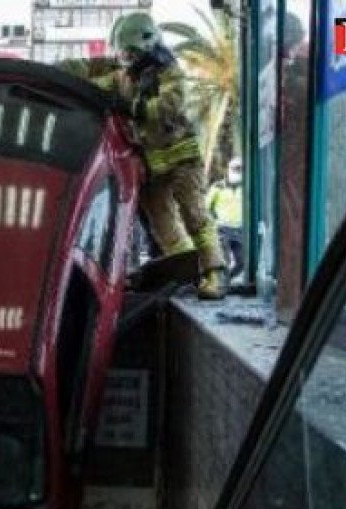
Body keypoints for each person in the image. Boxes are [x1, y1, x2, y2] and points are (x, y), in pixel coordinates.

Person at [93, 12, 228, 299]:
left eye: (131, 51)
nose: (126, 57)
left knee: (195, 215)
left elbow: (170, 105)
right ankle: (187, 272)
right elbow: (91, 76)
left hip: (181, 159)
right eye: (123, 52)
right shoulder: (123, 76)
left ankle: (215, 271)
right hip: (152, 167)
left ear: (147, 45)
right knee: (162, 224)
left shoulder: (169, 71)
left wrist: (134, 108)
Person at [208, 157, 244, 279]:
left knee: (242, 263)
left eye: (241, 169)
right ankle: (223, 283)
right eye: (236, 169)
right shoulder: (218, 187)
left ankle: (226, 280)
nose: (238, 171)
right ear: (229, 169)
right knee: (225, 261)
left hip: (240, 229)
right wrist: (213, 222)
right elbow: (206, 206)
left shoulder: (245, 187)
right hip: (222, 228)